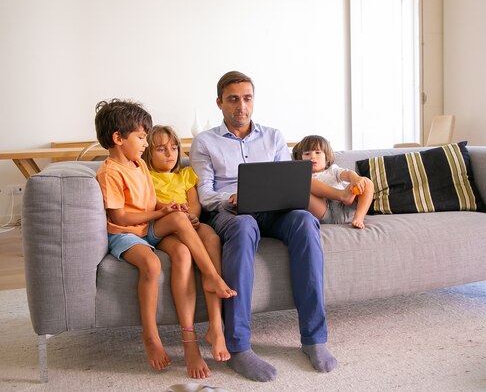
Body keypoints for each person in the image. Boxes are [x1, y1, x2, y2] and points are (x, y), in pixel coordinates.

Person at [190, 71, 337, 382]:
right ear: (219, 103)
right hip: (231, 212)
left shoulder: (273, 137)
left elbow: (289, 181)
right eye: (233, 99)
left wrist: (289, 197)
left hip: (275, 210)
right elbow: (204, 194)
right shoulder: (204, 142)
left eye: (247, 98)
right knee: (243, 226)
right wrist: (231, 197)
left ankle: (314, 339)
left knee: (306, 220)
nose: (241, 105)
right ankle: (239, 347)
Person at [93, 99, 236, 373]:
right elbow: (120, 217)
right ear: (118, 138)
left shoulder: (139, 165)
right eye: (141, 137)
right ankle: (151, 335)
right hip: (125, 234)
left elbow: (148, 204)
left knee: (185, 238)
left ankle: (196, 327)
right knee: (153, 263)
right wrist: (160, 215)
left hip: (147, 228)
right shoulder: (109, 172)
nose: (144, 144)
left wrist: (165, 208)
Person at [143, 125, 229, 378]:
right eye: (161, 149)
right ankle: (190, 341)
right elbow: (147, 203)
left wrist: (191, 215)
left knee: (212, 239)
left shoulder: (186, 174)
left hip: (187, 224)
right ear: (148, 152)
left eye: (173, 148)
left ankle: (215, 326)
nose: (169, 154)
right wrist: (172, 210)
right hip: (162, 228)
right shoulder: (144, 175)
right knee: (181, 251)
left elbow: (194, 204)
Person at [292, 135, 374, 229]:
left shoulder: (333, 170)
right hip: (323, 211)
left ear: (327, 159)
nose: (312, 157)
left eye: (318, 152)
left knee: (366, 182)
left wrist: (355, 178)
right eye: (307, 154)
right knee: (303, 182)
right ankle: (342, 195)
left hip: (344, 207)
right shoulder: (304, 176)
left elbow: (347, 174)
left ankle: (359, 218)